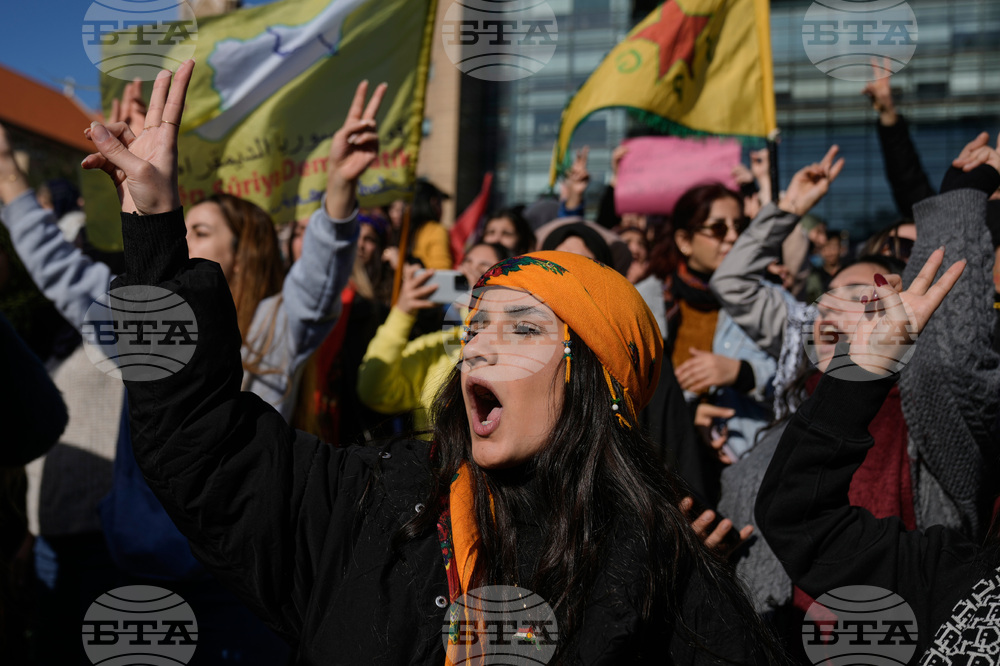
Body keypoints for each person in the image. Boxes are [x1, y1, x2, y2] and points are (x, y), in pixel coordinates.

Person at [86, 63, 787, 664]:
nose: (479, 344)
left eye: (521, 327)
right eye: (476, 325)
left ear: (594, 379)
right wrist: (153, 231)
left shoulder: (666, 577)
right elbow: (201, 447)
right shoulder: (379, 502)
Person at [754, 248, 979, 663]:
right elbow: (792, 521)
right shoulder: (772, 443)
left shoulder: (934, 417)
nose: (834, 311)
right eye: (829, 299)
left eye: (861, 297)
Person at [356, 242, 512, 432]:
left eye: (482, 269)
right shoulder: (436, 345)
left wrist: (476, 310)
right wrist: (403, 312)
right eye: (466, 265)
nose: (470, 273)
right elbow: (373, 390)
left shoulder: (513, 346)